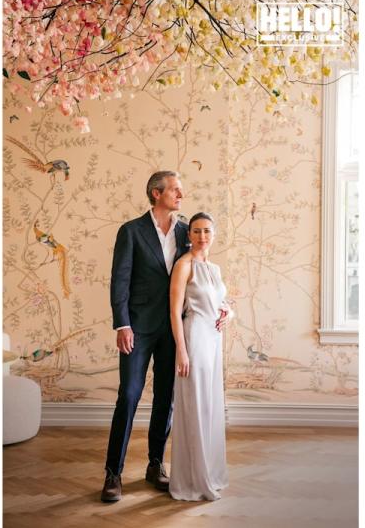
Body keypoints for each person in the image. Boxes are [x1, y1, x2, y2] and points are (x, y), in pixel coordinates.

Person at [101, 171, 189, 502]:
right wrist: (122, 325)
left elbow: (198, 274)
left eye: (181, 190)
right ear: (156, 193)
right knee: (129, 395)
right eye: (175, 190)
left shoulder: (185, 232)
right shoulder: (131, 231)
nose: (181, 194)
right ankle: (113, 473)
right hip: (137, 328)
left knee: (165, 398)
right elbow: (119, 280)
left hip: (173, 329)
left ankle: (155, 465)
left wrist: (218, 309)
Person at [168, 212, 232, 501]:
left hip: (213, 340)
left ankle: (211, 472)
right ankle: (193, 479)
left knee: (210, 406)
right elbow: (174, 310)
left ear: (214, 234)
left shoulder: (214, 268)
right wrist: (181, 350)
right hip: (194, 338)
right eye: (196, 231)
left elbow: (221, 302)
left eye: (207, 231)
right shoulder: (184, 265)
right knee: (195, 404)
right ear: (189, 235)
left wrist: (228, 312)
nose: (202, 237)